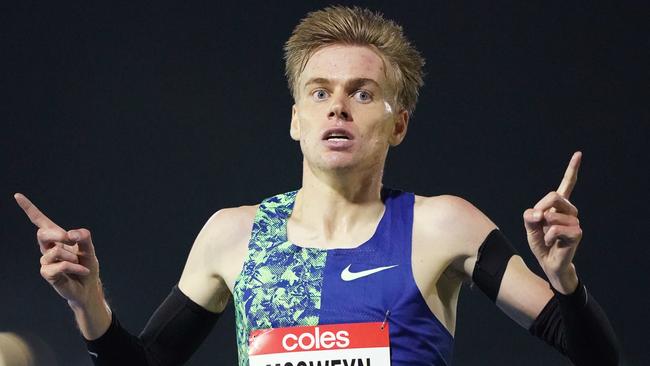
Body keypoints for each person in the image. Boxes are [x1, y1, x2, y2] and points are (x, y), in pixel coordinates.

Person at [15, 6, 618, 366]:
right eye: (320, 92)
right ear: (296, 119)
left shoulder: (443, 225)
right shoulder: (235, 235)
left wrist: (563, 278)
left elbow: (594, 355)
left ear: (398, 123)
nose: (339, 109)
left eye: (362, 93)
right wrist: (87, 302)